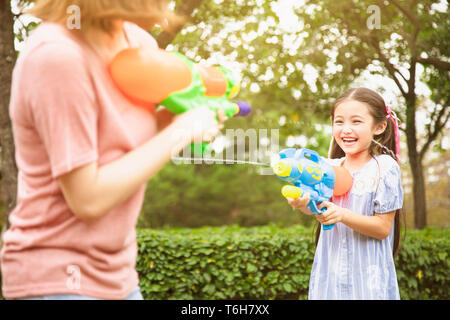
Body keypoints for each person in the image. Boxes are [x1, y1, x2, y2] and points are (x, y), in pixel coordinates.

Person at [0, 0, 227, 300]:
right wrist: (181, 132)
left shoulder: (137, 42)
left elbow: (122, 146)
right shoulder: (57, 57)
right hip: (58, 278)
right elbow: (87, 198)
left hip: (120, 275)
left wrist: (176, 121)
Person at [288, 87, 404, 299]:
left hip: (368, 283)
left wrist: (342, 214)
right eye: (339, 122)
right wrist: (301, 201)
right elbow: (315, 203)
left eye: (356, 121)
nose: (346, 129)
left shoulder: (384, 168)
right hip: (330, 280)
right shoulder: (327, 167)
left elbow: (382, 228)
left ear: (379, 127)